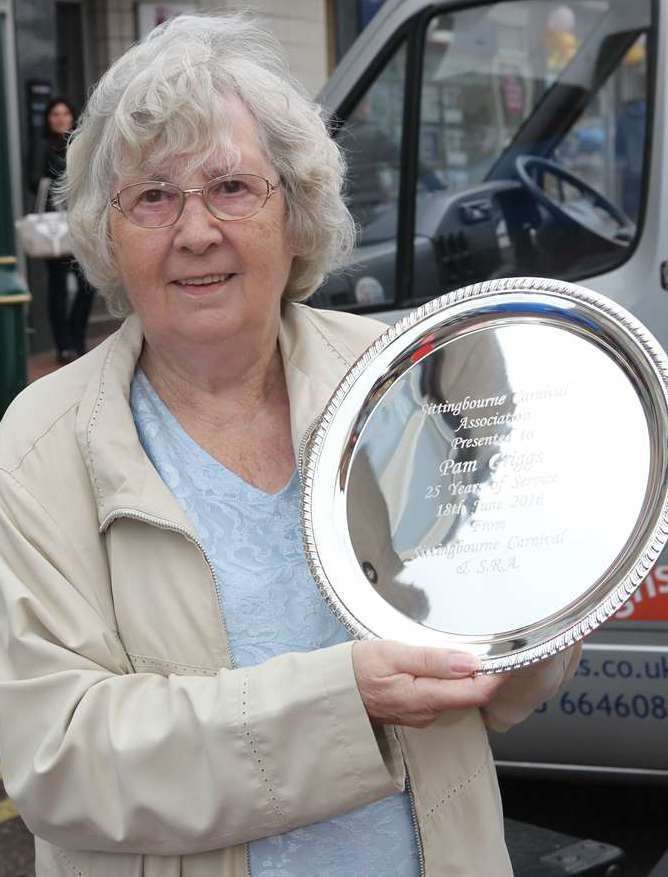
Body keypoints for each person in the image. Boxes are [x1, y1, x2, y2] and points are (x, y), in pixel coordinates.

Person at [0, 14, 580, 876]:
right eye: (153, 196)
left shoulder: (397, 379)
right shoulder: (40, 444)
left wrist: (563, 587)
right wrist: (347, 703)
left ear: (296, 209)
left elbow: (499, 667)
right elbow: (61, 760)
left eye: (232, 187)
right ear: (107, 232)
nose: (195, 230)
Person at [37, 97, 95, 362]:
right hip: (54, 229)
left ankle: (76, 338)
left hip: (81, 223)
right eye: (55, 114)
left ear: (72, 117)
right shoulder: (42, 147)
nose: (60, 118)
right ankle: (63, 345)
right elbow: (33, 181)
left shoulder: (82, 145)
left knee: (88, 284)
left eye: (65, 113)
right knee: (58, 288)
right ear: (48, 119)